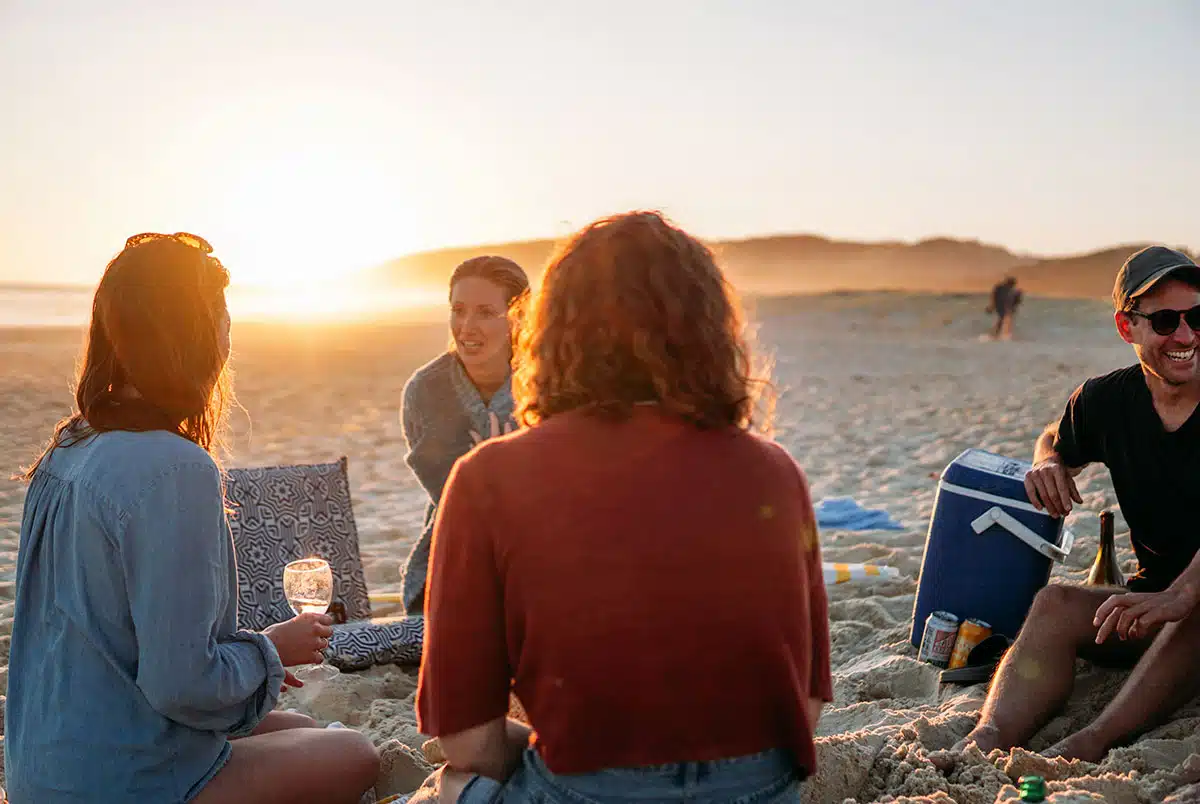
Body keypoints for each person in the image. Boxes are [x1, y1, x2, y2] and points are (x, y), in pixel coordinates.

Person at [413, 212, 832, 803]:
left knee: (452, 784)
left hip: (591, 788)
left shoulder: (488, 478)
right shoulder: (774, 471)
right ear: (709, 330)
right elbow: (806, 705)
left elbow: (465, 738)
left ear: (552, 330)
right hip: (760, 788)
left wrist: (555, 749)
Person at [6, 233, 379, 803]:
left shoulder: (68, 447)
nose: (229, 337)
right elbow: (183, 685)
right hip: (117, 781)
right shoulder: (174, 467)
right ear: (193, 336)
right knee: (355, 754)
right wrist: (270, 649)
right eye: (222, 320)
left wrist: (255, 663)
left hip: (46, 766)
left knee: (301, 730)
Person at [952, 246, 1200, 763]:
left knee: (1193, 610)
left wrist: (1181, 596)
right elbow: (1055, 438)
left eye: (1198, 317)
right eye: (1165, 320)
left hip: (1189, 605)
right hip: (1156, 602)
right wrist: (1047, 462)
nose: (1186, 335)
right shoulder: (1106, 401)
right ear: (1126, 327)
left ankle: (1092, 742)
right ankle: (988, 738)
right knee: (1055, 605)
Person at [398, 255, 530, 615]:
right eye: (458, 310)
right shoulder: (426, 390)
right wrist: (496, 468)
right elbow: (454, 501)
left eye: (485, 312)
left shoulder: (547, 384)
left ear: (517, 316)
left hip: (540, 554)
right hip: (455, 552)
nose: (467, 326)